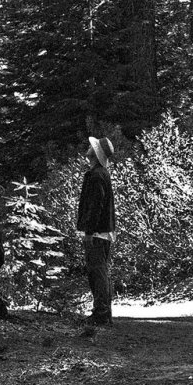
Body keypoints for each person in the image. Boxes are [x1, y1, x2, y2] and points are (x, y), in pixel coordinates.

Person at [77, 136, 116, 327]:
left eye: (93, 147)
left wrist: (89, 231)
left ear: (96, 153)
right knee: (99, 272)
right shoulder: (100, 173)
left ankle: (101, 314)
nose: (89, 147)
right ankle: (103, 313)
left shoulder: (97, 175)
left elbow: (95, 206)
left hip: (98, 233)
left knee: (98, 273)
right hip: (102, 232)